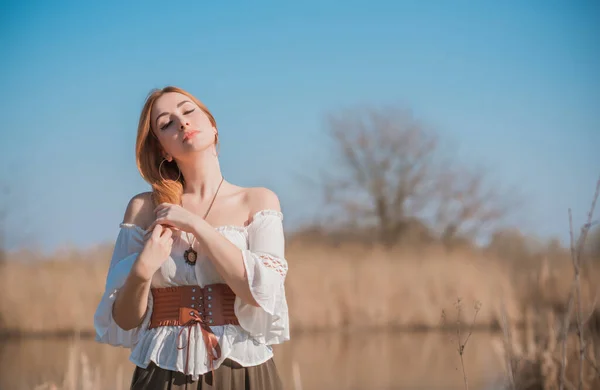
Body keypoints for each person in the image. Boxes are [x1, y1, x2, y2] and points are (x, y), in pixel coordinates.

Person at [94, 86, 290, 390]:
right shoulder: (145, 208)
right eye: (166, 123)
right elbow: (125, 319)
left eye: (188, 111)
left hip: (242, 369)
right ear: (163, 149)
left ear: (212, 125)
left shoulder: (258, 201)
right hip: (163, 370)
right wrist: (143, 270)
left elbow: (259, 295)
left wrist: (196, 225)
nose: (182, 123)